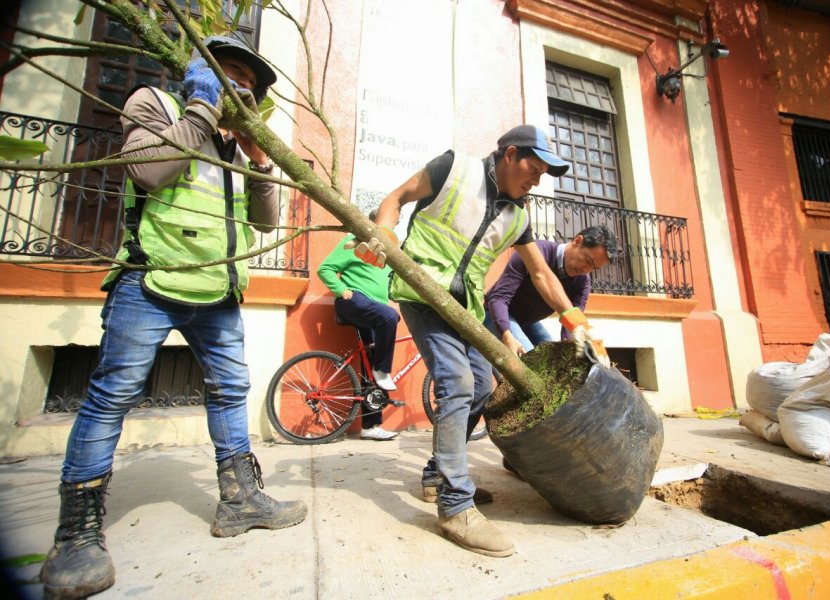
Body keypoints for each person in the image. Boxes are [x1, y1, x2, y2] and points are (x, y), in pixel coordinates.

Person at [40, 36, 307, 600]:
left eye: (248, 85)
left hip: (216, 290)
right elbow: (150, 172)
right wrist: (203, 106)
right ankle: (76, 535)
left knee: (231, 390)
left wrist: (257, 156)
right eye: (227, 74)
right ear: (198, 72)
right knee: (113, 395)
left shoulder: (234, 146)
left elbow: (264, 221)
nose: (239, 89)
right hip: (151, 279)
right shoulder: (154, 105)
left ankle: (241, 500)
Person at [351, 124, 602, 558]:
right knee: (458, 383)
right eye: (534, 168)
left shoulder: (518, 216)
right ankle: (455, 505)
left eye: (543, 174)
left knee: (483, 386)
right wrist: (385, 233)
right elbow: (397, 197)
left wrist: (575, 320)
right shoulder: (453, 169)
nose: (536, 180)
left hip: (466, 307)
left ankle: (437, 476)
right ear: (510, 154)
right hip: (422, 292)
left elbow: (541, 273)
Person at [317, 211, 401, 441]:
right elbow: (325, 268)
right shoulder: (353, 241)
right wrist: (340, 289)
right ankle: (383, 369)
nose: (393, 226)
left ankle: (371, 426)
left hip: (374, 311)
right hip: (354, 302)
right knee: (390, 317)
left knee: (370, 362)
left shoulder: (388, 251)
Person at [484, 226, 616, 356]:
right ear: (577, 241)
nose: (586, 269)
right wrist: (507, 335)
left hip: (528, 322)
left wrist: (567, 354)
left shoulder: (583, 281)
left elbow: (572, 322)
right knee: (530, 361)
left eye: (594, 268)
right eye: (588, 261)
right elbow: (498, 298)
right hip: (497, 313)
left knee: (553, 358)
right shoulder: (534, 253)